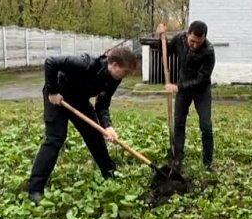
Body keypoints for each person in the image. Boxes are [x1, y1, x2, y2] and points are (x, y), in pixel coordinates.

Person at [26, 46, 139, 204]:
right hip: (58, 96)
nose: (125, 76)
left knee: (94, 135)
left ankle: (110, 173)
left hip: (79, 100)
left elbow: (102, 105)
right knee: (56, 138)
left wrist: (108, 126)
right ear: (114, 65)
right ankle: (35, 189)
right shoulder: (86, 64)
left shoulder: (114, 79)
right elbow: (51, 62)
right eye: (125, 72)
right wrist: (52, 91)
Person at [155, 20, 216, 170]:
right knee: (179, 123)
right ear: (187, 34)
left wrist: (178, 87)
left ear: (204, 38)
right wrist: (161, 38)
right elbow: (165, 52)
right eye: (192, 41)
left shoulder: (208, 51)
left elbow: (202, 79)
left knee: (206, 126)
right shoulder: (179, 39)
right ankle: (178, 158)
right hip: (183, 88)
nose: (194, 45)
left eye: (198, 42)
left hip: (201, 90)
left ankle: (207, 163)